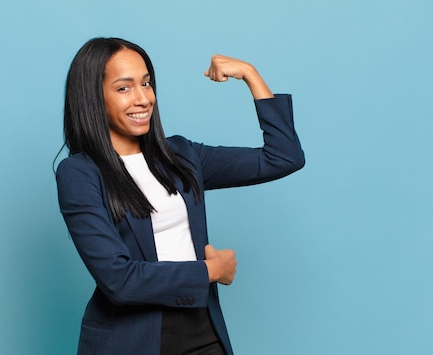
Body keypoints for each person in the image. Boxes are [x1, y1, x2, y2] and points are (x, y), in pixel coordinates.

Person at [56, 37, 305, 355]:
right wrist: (211, 271)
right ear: (93, 98)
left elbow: (284, 157)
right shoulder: (79, 174)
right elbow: (120, 280)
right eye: (124, 88)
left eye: (146, 83)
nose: (143, 98)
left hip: (202, 331)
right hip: (130, 340)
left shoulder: (181, 156)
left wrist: (250, 74)